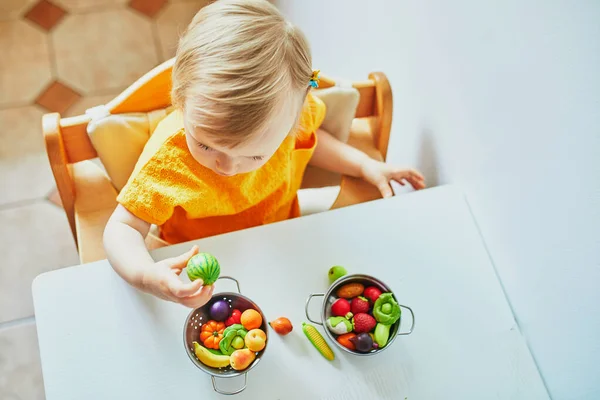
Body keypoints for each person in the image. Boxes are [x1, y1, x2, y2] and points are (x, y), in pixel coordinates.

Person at [103, 0, 425, 308]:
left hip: (282, 240)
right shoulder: (168, 160)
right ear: (179, 99)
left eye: (255, 156)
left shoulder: (290, 116)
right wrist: (148, 276)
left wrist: (365, 165)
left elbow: (313, 141)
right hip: (197, 261)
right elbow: (123, 229)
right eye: (204, 145)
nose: (227, 167)